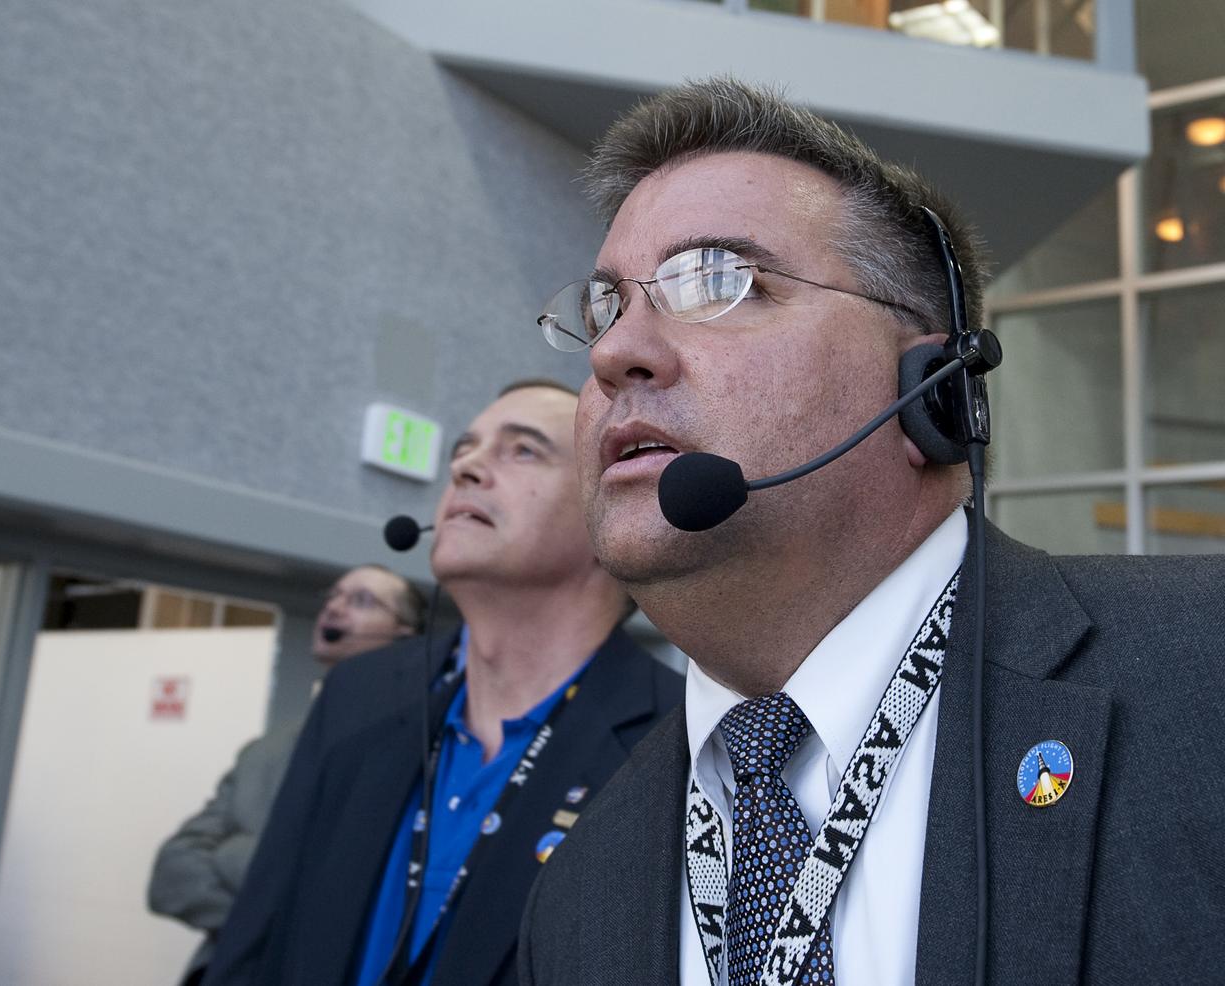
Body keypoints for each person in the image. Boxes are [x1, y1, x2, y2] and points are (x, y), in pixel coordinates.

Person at [519, 78, 1225, 986]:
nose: (615, 353)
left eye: (719, 279)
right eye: (607, 306)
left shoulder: (1202, 672)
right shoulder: (586, 880)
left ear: (928, 390)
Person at [202, 380, 683, 986]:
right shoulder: (360, 694)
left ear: (608, 514)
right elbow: (257, 939)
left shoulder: (678, 743)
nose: (466, 467)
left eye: (523, 450)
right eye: (465, 448)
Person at [149, 565, 425, 986]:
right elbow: (172, 874)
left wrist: (233, 852)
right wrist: (282, 925)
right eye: (332, 595)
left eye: (361, 600)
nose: (334, 607)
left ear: (404, 634)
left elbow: (360, 895)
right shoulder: (267, 750)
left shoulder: (419, 747)